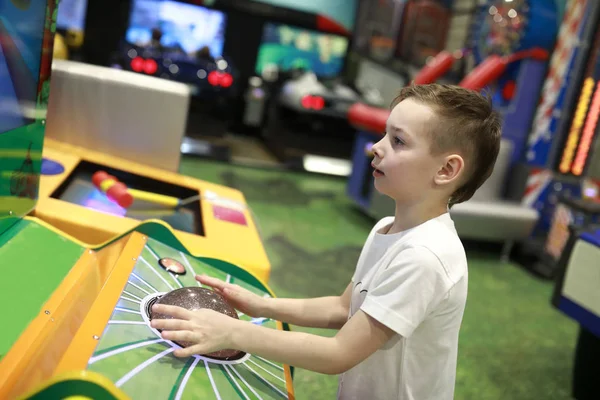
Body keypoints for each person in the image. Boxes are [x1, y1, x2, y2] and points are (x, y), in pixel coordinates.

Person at [151, 83, 502, 399]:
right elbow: (342, 308)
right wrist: (262, 306)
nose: (375, 148)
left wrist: (232, 333)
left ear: (446, 170)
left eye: (398, 141)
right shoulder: (387, 227)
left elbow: (338, 354)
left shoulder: (426, 256)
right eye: (384, 135)